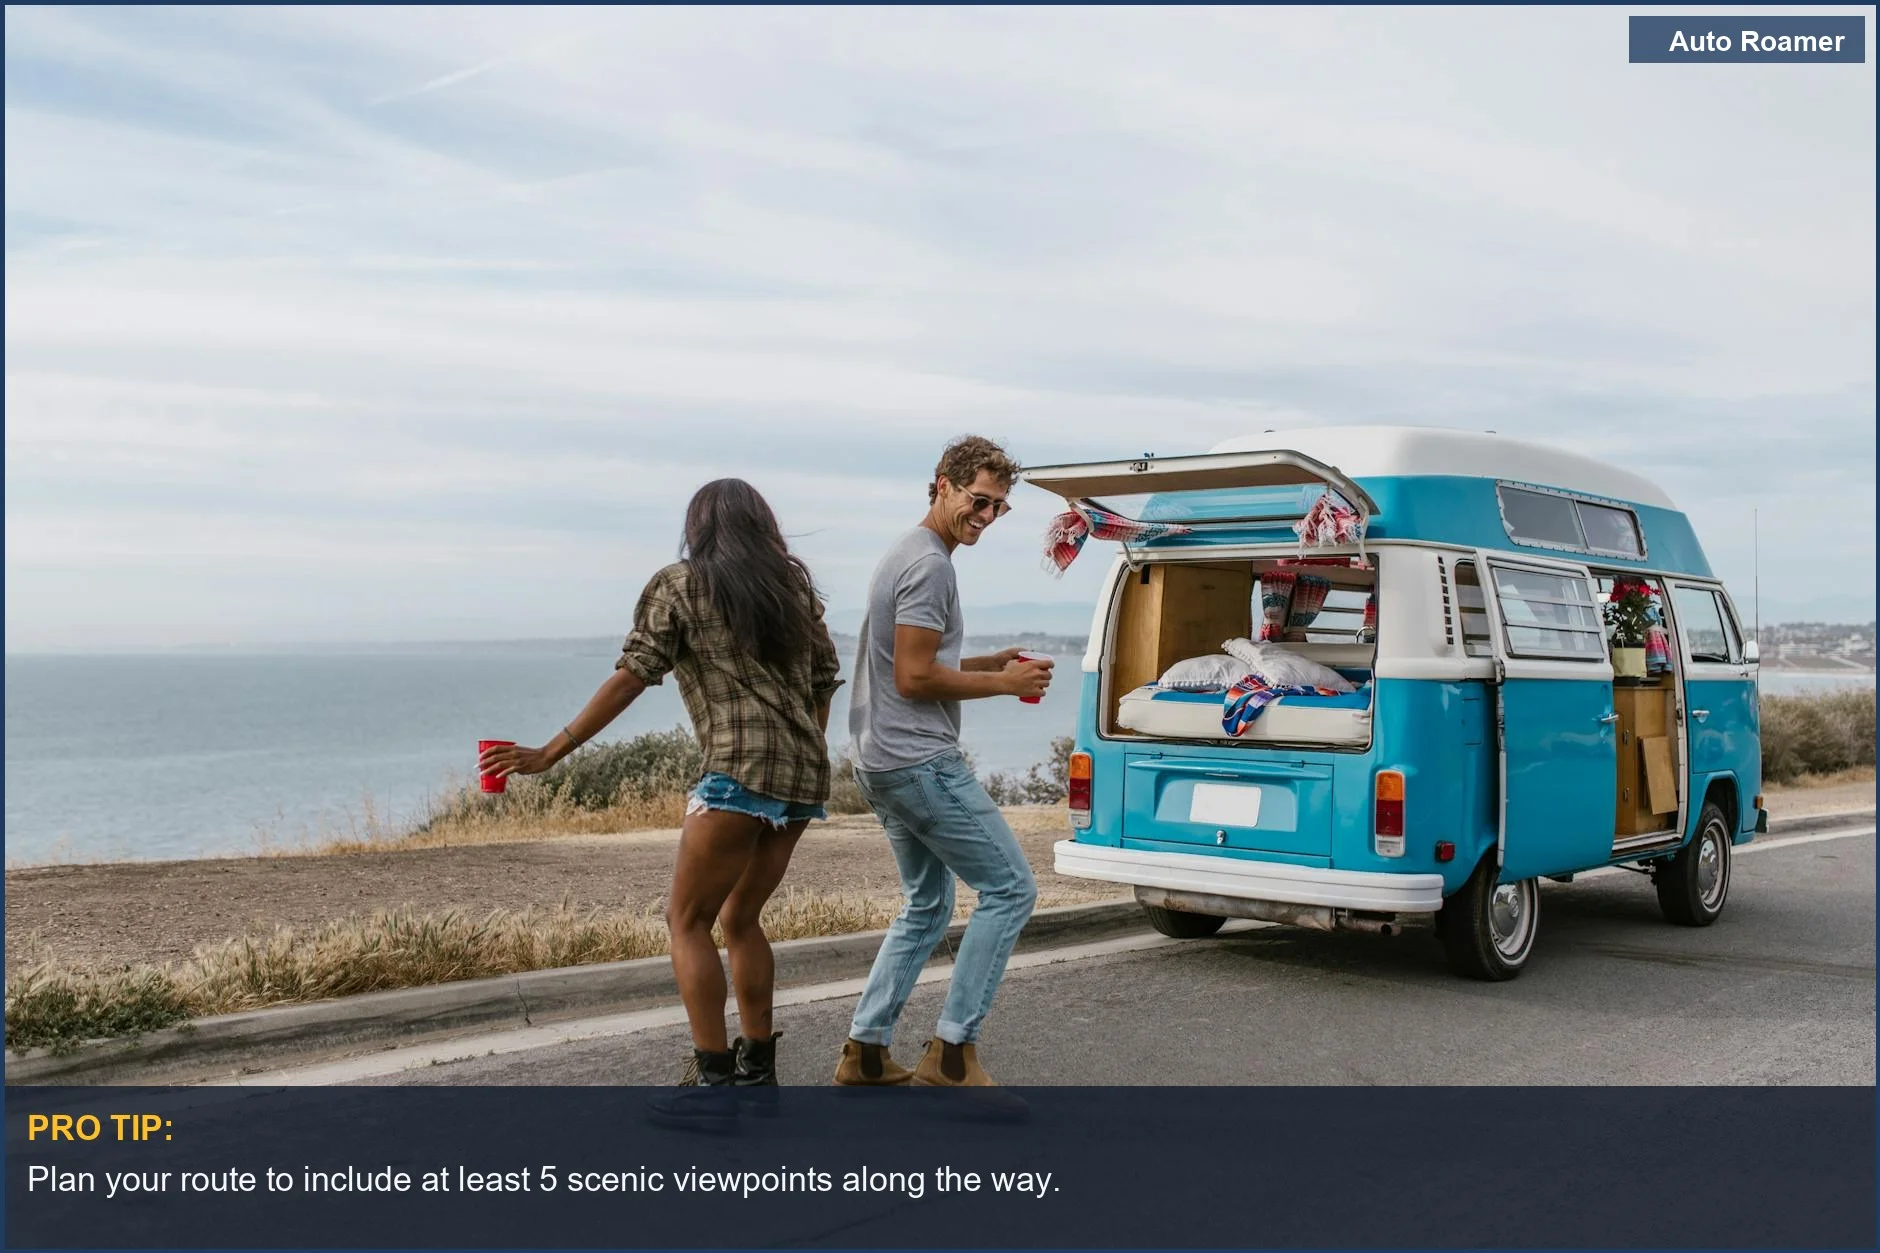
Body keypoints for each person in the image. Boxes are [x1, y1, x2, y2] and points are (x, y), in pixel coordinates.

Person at [480, 479, 841, 1129]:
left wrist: (550, 752)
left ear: (698, 526)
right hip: (804, 774)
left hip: (737, 770)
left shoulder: (680, 584)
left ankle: (715, 1087)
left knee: (686, 920)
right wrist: (800, 750)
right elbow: (823, 684)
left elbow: (633, 675)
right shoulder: (793, 594)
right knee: (742, 919)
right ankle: (758, 1080)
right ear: (764, 526)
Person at [832, 434, 1051, 1090]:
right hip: (919, 762)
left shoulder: (910, 550)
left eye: (999, 507)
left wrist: (985, 664)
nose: (985, 516)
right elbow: (914, 676)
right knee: (1012, 888)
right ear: (944, 485)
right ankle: (952, 1053)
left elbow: (910, 662)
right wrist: (1007, 686)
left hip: (879, 760)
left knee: (928, 904)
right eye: (978, 500)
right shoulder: (931, 565)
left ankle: (866, 1050)